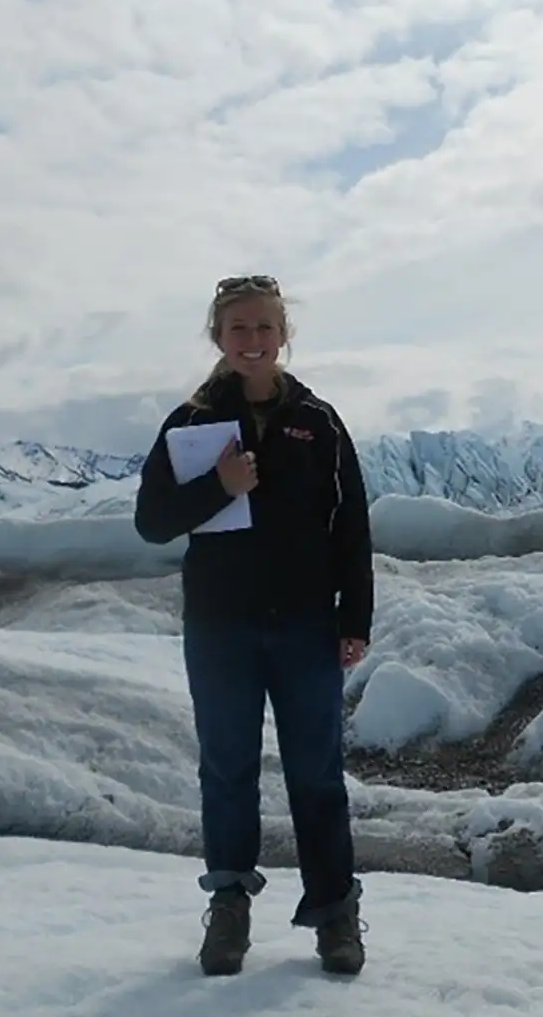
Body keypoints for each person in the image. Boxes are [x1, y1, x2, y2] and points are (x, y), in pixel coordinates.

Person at [134, 274, 373, 977]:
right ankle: (229, 908)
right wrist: (221, 486)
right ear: (218, 336)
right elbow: (152, 521)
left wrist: (353, 618)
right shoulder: (189, 424)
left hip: (304, 626)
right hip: (221, 627)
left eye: (265, 326)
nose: (253, 340)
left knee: (317, 775)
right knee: (228, 769)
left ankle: (335, 915)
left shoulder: (318, 422)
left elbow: (351, 527)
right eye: (238, 327)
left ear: (283, 334)